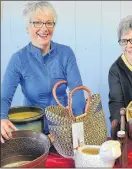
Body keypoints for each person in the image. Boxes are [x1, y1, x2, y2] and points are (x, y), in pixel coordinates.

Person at [1, 1, 85, 143]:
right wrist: (2, 117)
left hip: (63, 127)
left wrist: (76, 127)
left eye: (49, 23)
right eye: (37, 23)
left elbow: (77, 92)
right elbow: (4, 97)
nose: (44, 28)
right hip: (33, 129)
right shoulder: (18, 59)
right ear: (27, 27)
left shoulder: (66, 53)